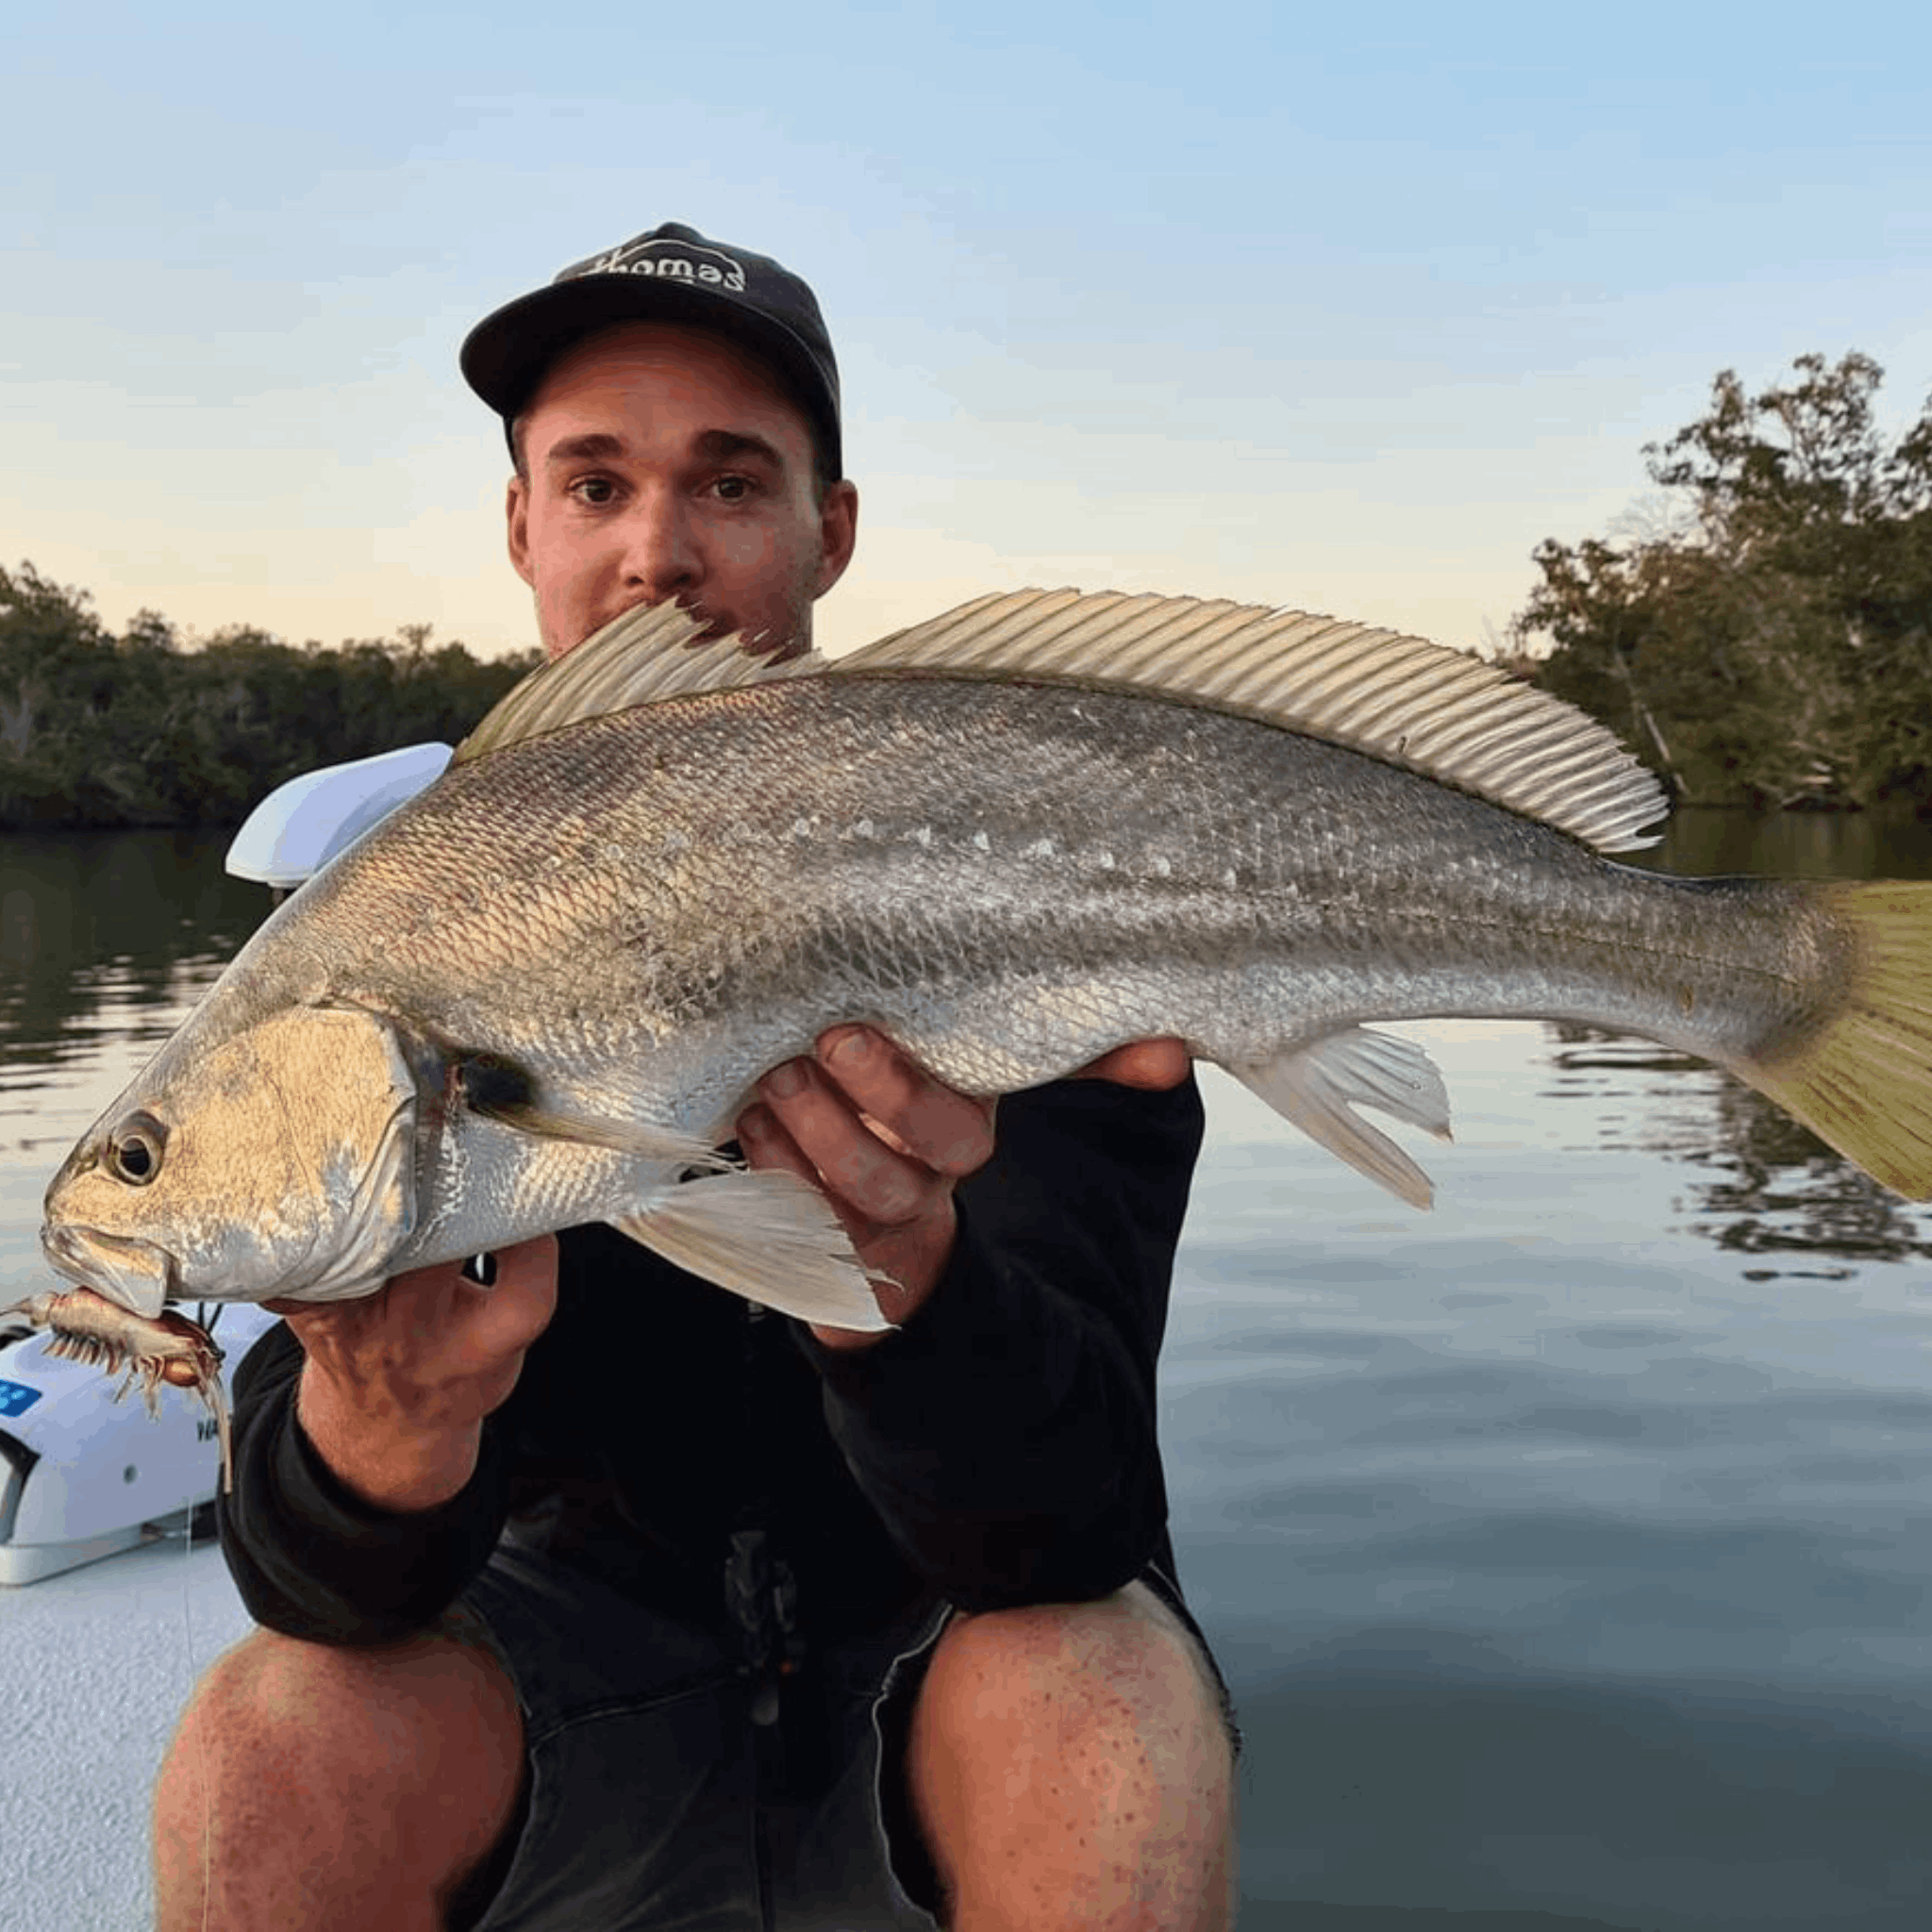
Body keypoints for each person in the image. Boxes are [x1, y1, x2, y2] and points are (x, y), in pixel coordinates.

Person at [153, 222, 1238, 1931]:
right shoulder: (378, 924)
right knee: (272, 1740)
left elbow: (1072, 1523)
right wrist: (387, 1428)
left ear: (833, 528)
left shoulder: (1042, 880)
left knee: (1102, 1696)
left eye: (731, 483)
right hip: (564, 1673)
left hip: (934, 1659)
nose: (656, 551)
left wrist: (909, 1288)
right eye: (593, 485)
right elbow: (319, 1589)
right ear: (521, 523)